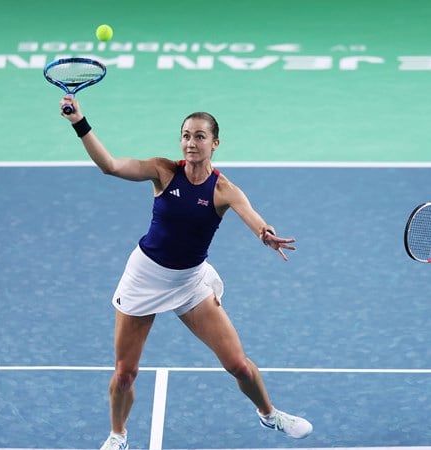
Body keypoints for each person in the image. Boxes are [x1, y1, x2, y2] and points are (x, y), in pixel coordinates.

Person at [57, 96, 313, 450]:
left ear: (215, 143)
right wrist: (78, 122)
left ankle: (269, 414)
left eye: (200, 137)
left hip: (190, 282)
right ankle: (118, 435)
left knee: (238, 364)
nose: (191, 143)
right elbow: (111, 166)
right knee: (124, 373)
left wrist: (265, 234)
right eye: (186, 136)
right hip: (144, 278)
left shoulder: (224, 190)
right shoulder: (163, 171)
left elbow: (252, 217)